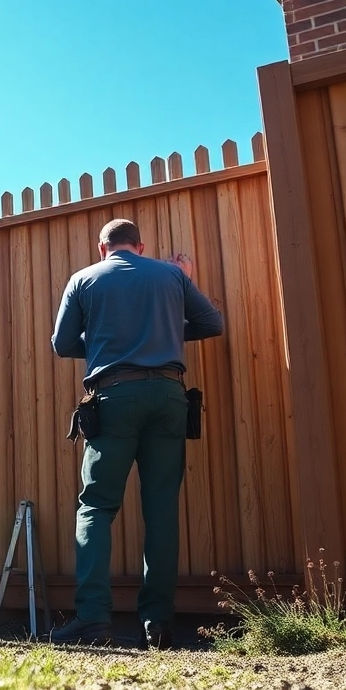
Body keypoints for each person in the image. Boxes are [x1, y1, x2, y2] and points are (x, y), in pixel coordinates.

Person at [49, 218, 224, 649]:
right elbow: (212, 324)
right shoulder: (171, 276)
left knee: (96, 507)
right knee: (161, 511)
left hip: (113, 399)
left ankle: (93, 620)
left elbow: (61, 342)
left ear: (101, 246)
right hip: (168, 396)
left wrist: (108, 340)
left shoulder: (84, 279)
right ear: (140, 246)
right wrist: (165, 326)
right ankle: (158, 624)